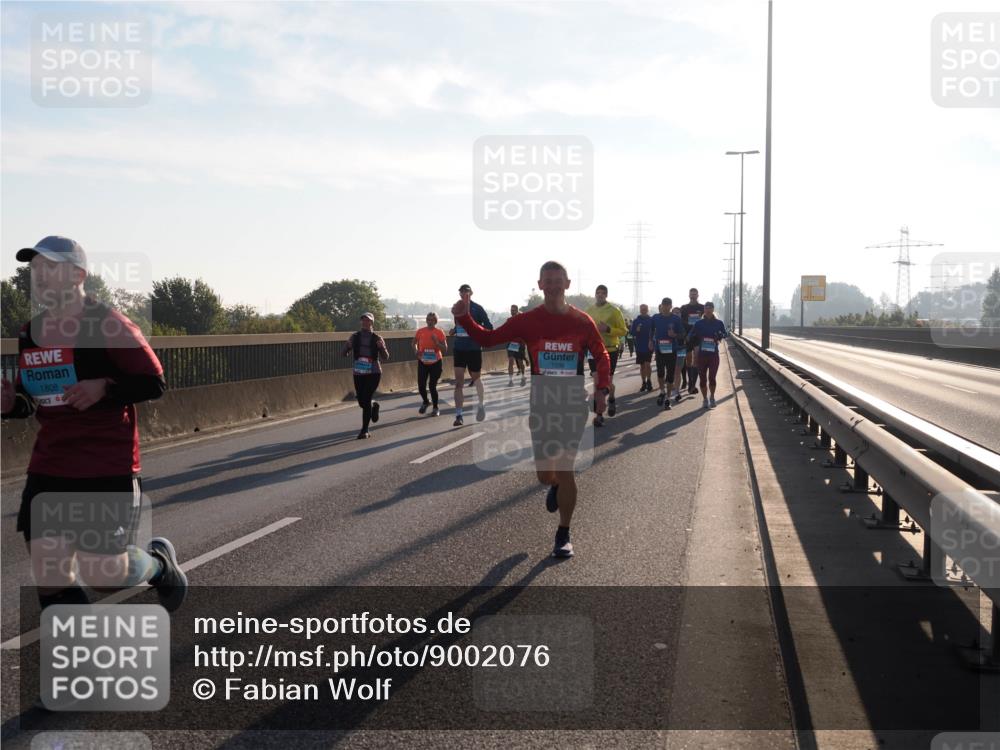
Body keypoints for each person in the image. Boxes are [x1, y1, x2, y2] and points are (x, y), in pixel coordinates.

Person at [1, 236, 187, 618]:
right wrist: (10, 404)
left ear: (77, 275)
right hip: (49, 466)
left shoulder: (108, 323)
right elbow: (32, 398)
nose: (39, 276)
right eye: (35, 269)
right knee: (51, 576)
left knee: (104, 574)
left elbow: (154, 383)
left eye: (50, 268)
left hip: (106, 465)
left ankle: (157, 564)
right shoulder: (30, 332)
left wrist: (105, 386)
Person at [452, 261, 609, 559]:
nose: (552, 285)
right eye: (547, 281)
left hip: (572, 402)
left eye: (557, 280)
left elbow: (601, 354)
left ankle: (563, 533)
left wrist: (602, 389)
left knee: (565, 467)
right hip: (542, 402)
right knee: (544, 475)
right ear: (539, 285)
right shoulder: (527, 321)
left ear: (567, 284)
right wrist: (464, 318)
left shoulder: (581, 321)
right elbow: (487, 338)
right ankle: (554, 486)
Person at [450, 284, 493, 426]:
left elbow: (489, 327)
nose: (464, 294)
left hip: (474, 348)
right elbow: (460, 325)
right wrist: (454, 330)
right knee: (458, 383)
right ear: (459, 294)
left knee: (476, 379)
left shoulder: (477, 308)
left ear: (471, 293)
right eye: (461, 292)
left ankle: (481, 405)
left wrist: (475, 329)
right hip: (459, 348)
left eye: (466, 291)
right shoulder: (457, 308)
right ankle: (459, 416)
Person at [342, 312, 389, 438]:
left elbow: (385, 357)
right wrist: (347, 347)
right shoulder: (355, 337)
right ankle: (374, 405)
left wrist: (382, 348)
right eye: (363, 320)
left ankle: (365, 430)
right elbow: (343, 353)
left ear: (371, 323)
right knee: (362, 401)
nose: (364, 322)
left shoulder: (377, 338)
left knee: (366, 398)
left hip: (373, 372)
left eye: (367, 320)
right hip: (359, 372)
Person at [585, 285, 627, 421]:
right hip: (593, 351)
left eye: (603, 293)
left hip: (610, 350)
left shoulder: (614, 311)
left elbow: (623, 331)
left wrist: (608, 329)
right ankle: (599, 415)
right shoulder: (589, 310)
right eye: (598, 293)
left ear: (606, 295)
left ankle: (612, 398)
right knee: (597, 382)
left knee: (607, 382)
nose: (600, 295)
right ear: (595, 295)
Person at [688, 301, 728, 408]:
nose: (708, 310)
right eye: (706, 308)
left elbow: (725, 334)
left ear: (713, 309)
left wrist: (720, 335)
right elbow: (690, 335)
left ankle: (712, 397)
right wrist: (693, 337)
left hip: (713, 355)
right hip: (702, 355)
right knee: (702, 379)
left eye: (710, 308)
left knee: (712, 378)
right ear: (704, 310)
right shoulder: (698, 323)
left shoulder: (719, 323)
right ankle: (705, 399)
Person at [650, 298, 684, 410]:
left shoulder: (675, 319)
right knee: (660, 373)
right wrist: (650, 341)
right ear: (661, 306)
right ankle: (662, 391)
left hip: (672, 350)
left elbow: (682, 334)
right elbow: (651, 330)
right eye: (664, 305)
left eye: (667, 305)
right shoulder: (655, 317)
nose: (665, 307)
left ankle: (668, 399)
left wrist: (674, 335)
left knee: (670, 375)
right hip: (659, 350)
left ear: (670, 306)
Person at [413, 312, 447, 416]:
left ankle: (436, 408)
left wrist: (437, 343)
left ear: (436, 321)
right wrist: (416, 351)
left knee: (432, 385)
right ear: (426, 320)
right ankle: (426, 401)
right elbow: (413, 343)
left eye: (432, 320)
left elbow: (445, 349)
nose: (430, 322)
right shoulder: (420, 331)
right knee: (421, 386)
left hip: (436, 362)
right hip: (423, 361)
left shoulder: (439, 332)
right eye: (428, 319)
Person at [679, 288, 705, 395]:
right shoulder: (684, 308)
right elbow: (681, 322)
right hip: (688, 337)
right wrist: (684, 335)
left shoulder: (702, 307)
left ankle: (692, 384)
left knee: (696, 360)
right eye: (691, 294)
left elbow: (705, 320)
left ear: (698, 295)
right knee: (688, 360)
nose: (693, 296)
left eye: (695, 294)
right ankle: (689, 381)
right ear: (689, 295)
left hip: (698, 337)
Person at [629, 304, 654, 392]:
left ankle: (649, 381)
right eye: (642, 309)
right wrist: (637, 330)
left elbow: (655, 332)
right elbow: (631, 333)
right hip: (639, 346)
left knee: (648, 364)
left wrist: (652, 342)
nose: (643, 310)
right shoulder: (636, 321)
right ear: (640, 310)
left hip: (648, 346)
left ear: (647, 310)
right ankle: (643, 382)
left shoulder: (651, 320)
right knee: (642, 365)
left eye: (645, 309)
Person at [506, 304, 527, 387]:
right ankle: (510, 380)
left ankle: (523, 377)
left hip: (520, 344)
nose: (512, 312)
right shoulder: (509, 320)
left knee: (520, 362)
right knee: (511, 361)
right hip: (511, 344)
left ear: (517, 311)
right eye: (511, 310)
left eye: (514, 310)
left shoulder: (522, 319)